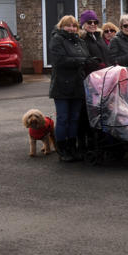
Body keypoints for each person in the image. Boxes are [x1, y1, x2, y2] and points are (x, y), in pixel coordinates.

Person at [49, 15, 93, 162]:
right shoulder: (57, 39)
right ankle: (62, 150)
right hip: (62, 85)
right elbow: (59, 61)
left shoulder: (80, 41)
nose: (71, 28)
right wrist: (82, 61)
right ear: (61, 27)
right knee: (63, 118)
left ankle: (72, 147)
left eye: (74, 26)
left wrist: (89, 61)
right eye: (68, 25)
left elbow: (86, 57)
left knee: (74, 118)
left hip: (77, 85)